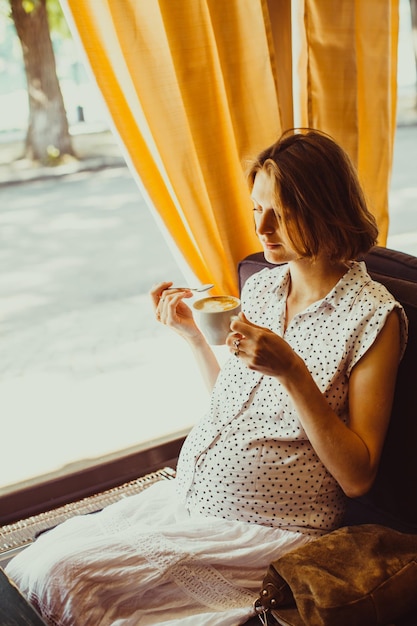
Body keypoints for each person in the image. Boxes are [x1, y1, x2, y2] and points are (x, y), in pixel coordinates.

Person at [6, 129, 408, 626]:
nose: (262, 226)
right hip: (187, 499)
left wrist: (294, 374)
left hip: (263, 530)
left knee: (65, 579)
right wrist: (194, 338)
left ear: (326, 209)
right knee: (30, 565)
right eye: (256, 206)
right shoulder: (262, 286)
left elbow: (358, 476)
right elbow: (232, 406)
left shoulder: (372, 318)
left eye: (281, 212)